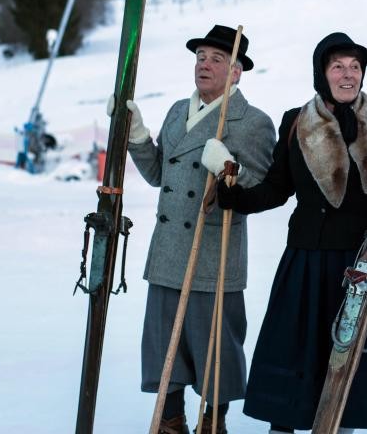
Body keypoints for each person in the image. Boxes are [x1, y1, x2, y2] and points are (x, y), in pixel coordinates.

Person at [205, 32, 367, 433]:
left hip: (362, 263)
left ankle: (339, 426)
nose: (347, 73)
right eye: (337, 65)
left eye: (355, 66)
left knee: (349, 353)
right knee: (295, 350)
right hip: (307, 257)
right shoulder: (297, 122)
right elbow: (276, 189)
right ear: (322, 73)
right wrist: (232, 194)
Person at [125, 24, 276, 434]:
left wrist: (231, 169)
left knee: (215, 348)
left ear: (237, 71)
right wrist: (136, 136)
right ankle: (170, 421)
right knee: (163, 347)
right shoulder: (177, 110)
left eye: (217, 59)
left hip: (214, 255)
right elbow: (158, 173)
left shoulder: (253, 122)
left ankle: (213, 423)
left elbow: (262, 189)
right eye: (200, 57)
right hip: (169, 250)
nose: (204, 65)